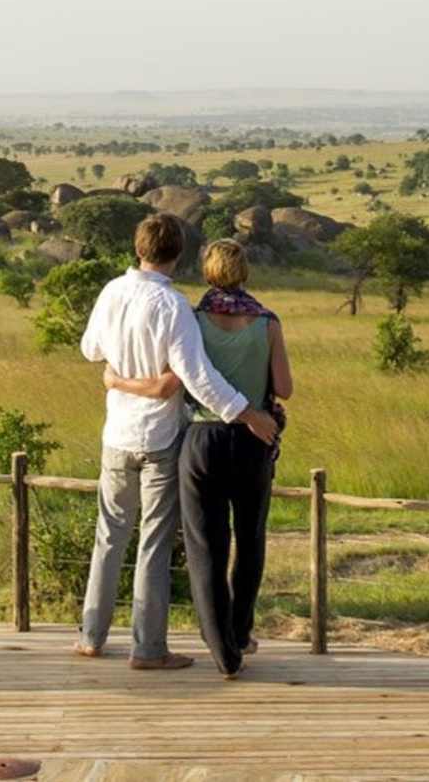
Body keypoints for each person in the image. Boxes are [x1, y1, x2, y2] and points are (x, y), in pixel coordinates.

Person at [77, 215, 279, 670]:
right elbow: (196, 377)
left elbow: (91, 349)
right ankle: (148, 648)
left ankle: (91, 636)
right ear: (179, 254)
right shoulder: (173, 305)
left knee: (109, 534)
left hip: (116, 434)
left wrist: (120, 378)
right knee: (154, 540)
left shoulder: (111, 291)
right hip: (161, 436)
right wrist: (248, 414)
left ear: (138, 247)